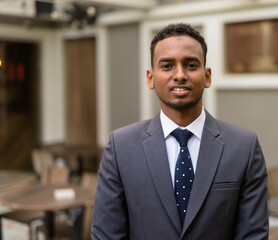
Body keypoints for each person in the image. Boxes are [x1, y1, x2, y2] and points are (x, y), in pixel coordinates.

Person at [91, 23, 268, 240]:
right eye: (167, 66)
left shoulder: (244, 147)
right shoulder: (120, 147)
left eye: (191, 65)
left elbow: (253, 235)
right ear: (150, 78)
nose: (180, 75)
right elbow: (107, 235)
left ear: (208, 76)